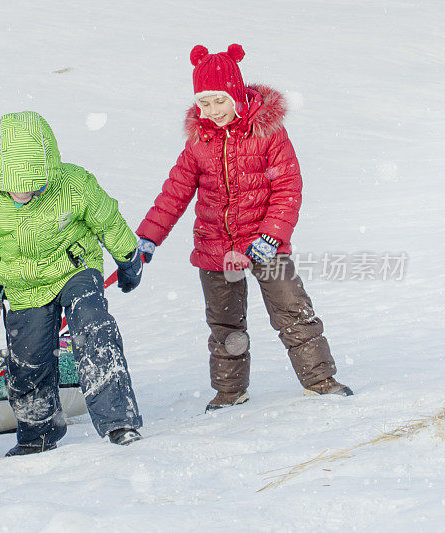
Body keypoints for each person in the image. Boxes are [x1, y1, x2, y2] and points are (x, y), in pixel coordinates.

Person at [136, 44, 353, 412]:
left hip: (265, 244)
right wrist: (148, 237)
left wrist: (272, 235)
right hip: (215, 247)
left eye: (219, 100)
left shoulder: (268, 134)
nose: (213, 111)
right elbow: (174, 192)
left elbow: (288, 188)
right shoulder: (199, 142)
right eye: (204, 103)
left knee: (293, 311)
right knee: (225, 326)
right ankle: (230, 391)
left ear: (235, 95)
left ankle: (319, 380)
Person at [0, 111, 144, 456]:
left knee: (94, 327)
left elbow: (108, 220)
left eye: (35, 183)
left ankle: (119, 421)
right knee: (27, 358)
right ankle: (38, 434)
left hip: (74, 267)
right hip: (22, 283)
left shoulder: (74, 184)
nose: (25, 191)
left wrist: (127, 257)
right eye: (15, 185)